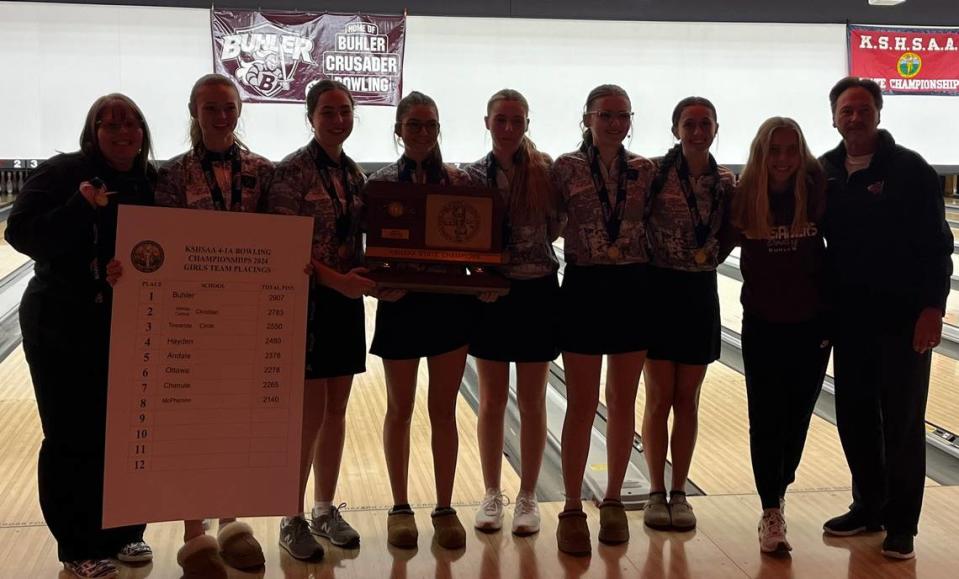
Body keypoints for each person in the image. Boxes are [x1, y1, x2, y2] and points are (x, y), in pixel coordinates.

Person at [5, 93, 155, 579]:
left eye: (131, 123)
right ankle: (77, 544)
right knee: (72, 435)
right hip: (62, 323)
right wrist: (78, 207)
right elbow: (20, 232)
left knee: (127, 429)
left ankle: (126, 532)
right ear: (93, 132)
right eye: (110, 124)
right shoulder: (62, 172)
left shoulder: (148, 180)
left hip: (128, 320)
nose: (122, 132)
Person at [819, 77, 953, 560]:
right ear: (833, 116)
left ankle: (901, 525)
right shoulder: (825, 170)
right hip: (850, 320)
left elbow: (939, 245)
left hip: (902, 318)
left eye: (862, 109)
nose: (854, 118)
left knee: (901, 421)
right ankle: (868, 506)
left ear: (878, 112)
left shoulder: (910, 169)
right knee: (855, 417)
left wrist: (933, 309)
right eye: (845, 111)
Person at [154, 73, 274, 578]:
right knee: (191, 423)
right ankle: (193, 531)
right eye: (210, 108)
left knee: (233, 420)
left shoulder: (264, 173)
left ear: (239, 109)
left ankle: (230, 520)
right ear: (194, 110)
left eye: (228, 107)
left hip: (245, 316)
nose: (221, 116)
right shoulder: (171, 177)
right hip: (192, 313)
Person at [366, 91, 476, 551]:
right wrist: (375, 284)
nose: (423, 132)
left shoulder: (459, 181)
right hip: (403, 305)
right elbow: (369, 250)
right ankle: (399, 506)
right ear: (399, 130)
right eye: (413, 125)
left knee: (443, 410)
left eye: (430, 124)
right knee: (399, 408)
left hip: (449, 304)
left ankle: (445, 506)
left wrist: (484, 280)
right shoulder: (381, 183)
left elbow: (476, 242)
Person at [267, 79, 372, 560]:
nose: (338, 119)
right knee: (307, 416)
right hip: (305, 304)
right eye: (328, 111)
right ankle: (291, 517)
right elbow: (286, 250)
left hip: (344, 304)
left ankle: (324, 508)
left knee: (336, 410)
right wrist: (338, 281)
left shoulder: (355, 175)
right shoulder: (290, 173)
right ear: (310, 117)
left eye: (345, 111)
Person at [551, 84, 655, 556]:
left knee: (623, 400)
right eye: (605, 115)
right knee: (581, 402)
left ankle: (612, 499)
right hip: (585, 288)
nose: (614, 122)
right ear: (587, 118)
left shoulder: (645, 171)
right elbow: (547, 223)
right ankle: (572, 505)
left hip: (633, 287)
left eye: (622, 115)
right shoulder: (565, 168)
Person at [726, 117, 831, 553]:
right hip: (763, 325)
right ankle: (771, 509)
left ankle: (780, 481)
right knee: (765, 418)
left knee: (798, 418)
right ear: (761, 154)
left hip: (813, 326)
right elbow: (709, 245)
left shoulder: (820, 192)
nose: (784, 159)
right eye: (775, 150)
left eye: (791, 149)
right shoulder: (744, 198)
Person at [463, 89, 564, 536]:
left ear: (527, 123)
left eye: (517, 120)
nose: (508, 128)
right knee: (491, 399)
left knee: (533, 399)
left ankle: (527, 496)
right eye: (500, 119)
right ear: (486, 122)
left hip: (538, 293)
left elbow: (558, 225)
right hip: (492, 296)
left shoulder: (545, 172)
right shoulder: (469, 177)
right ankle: (491, 492)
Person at [643, 96, 735, 532]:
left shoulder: (724, 183)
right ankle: (655, 491)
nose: (697, 131)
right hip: (659, 291)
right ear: (675, 128)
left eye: (705, 123)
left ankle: (680, 491)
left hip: (701, 291)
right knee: (659, 397)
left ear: (716, 128)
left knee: (688, 399)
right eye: (689, 123)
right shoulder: (654, 176)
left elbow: (732, 233)